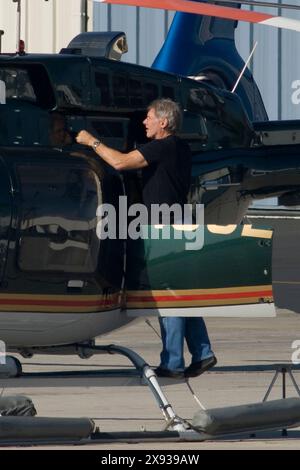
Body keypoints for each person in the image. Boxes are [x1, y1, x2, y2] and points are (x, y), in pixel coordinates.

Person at [76, 98, 216, 379]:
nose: (144, 122)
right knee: (181, 293)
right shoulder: (179, 147)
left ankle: (173, 363)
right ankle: (203, 353)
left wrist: (91, 141)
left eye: (149, 117)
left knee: (169, 296)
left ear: (163, 122)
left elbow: (120, 162)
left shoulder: (164, 147)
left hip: (166, 228)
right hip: (178, 224)